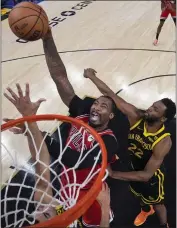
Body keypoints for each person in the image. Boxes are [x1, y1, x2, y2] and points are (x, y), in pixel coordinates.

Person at [3, 28, 118, 227]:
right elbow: (60, 78)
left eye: (104, 106)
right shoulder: (82, 113)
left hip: (90, 193)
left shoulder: (109, 140)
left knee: (94, 222)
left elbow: (74, 161)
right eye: (96, 103)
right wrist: (47, 38)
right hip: (67, 189)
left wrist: (33, 127)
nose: (97, 107)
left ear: (111, 116)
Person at [3, 83, 111, 227]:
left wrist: (30, 120)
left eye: (36, 211)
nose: (42, 208)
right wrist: (105, 206)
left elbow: (41, 166)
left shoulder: (47, 206)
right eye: (46, 214)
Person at [83, 68, 176, 228]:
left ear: (163, 118)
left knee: (158, 203)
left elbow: (146, 175)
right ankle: (146, 210)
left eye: (155, 110)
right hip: (133, 168)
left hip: (151, 178)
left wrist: (114, 174)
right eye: (152, 106)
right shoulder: (136, 116)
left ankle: (163, 224)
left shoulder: (163, 141)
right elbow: (111, 95)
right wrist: (91, 77)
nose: (149, 109)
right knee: (138, 196)